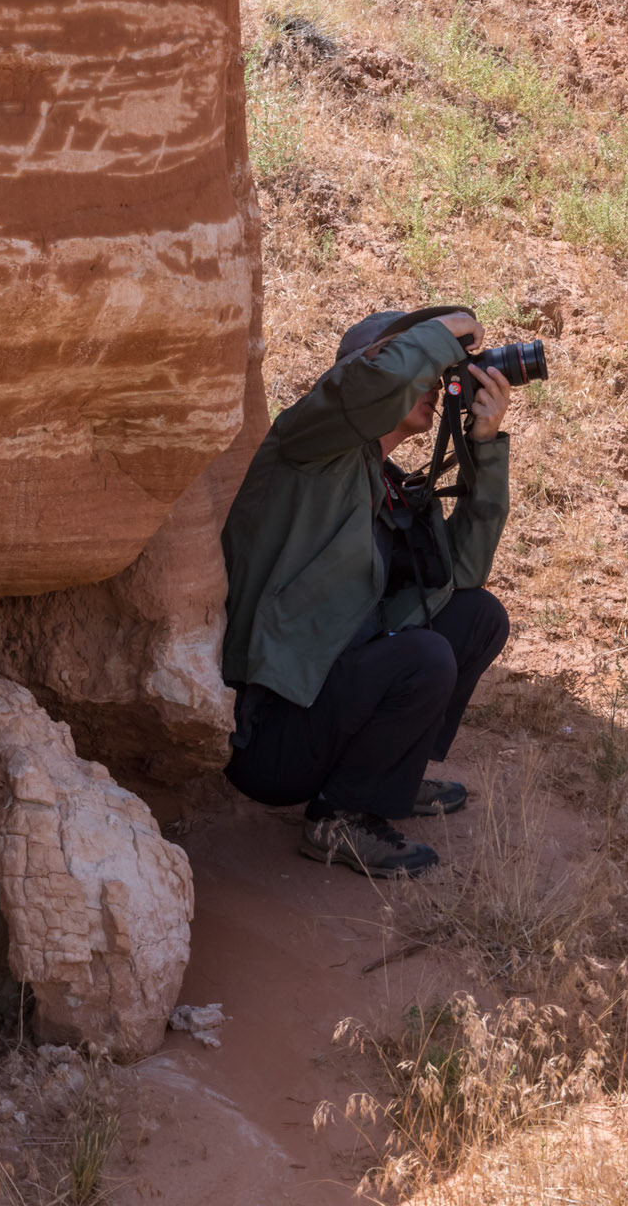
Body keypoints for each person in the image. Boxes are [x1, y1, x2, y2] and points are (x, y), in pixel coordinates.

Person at [220, 305, 513, 877]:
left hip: (324, 707)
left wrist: (484, 443)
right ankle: (340, 818)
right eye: (422, 367)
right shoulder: (306, 446)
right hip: (270, 736)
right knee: (421, 658)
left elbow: (466, 571)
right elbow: (359, 388)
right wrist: (439, 337)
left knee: (476, 617)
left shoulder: (389, 487)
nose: (434, 383)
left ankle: (391, 778)